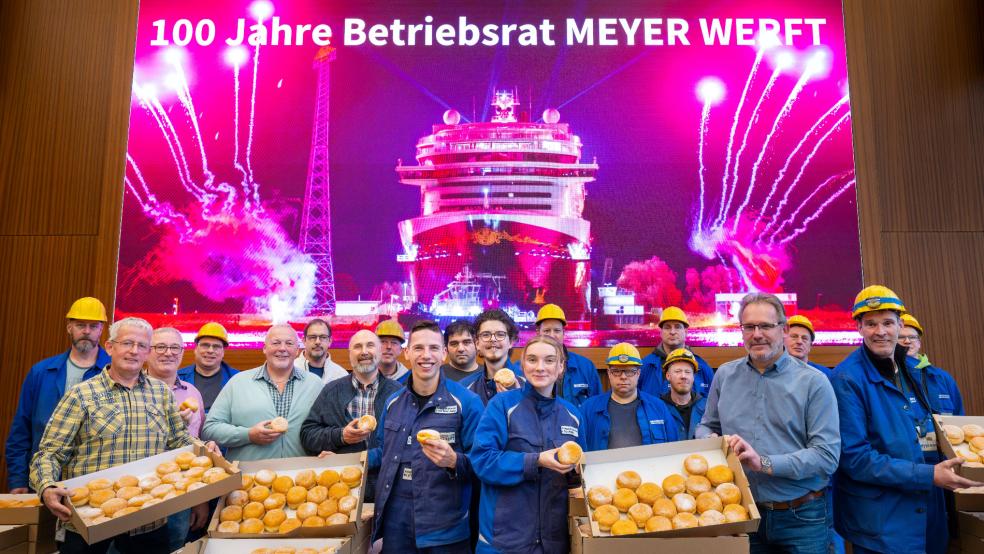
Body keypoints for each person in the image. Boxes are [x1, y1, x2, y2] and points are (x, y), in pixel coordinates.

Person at [30, 317, 211, 554]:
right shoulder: (81, 395)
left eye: (142, 346)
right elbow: (49, 453)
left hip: (149, 522)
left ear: (147, 352)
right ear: (110, 347)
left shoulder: (161, 394)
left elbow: (179, 440)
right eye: (127, 343)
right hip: (90, 521)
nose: (134, 351)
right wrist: (47, 487)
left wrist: (204, 448)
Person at [832, 286, 980, 554]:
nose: (881, 331)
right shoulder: (846, 378)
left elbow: (938, 431)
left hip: (930, 512)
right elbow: (855, 459)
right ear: (859, 328)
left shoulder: (917, 372)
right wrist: (929, 475)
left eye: (888, 322)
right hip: (882, 524)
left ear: (900, 324)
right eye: (871, 324)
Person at [697, 293, 840, 553]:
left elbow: (827, 456)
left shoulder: (814, 383)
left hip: (802, 518)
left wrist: (763, 463)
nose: (757, 334)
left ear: (783, 330)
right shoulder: (725, 376)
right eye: (749, 327)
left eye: (765, 326)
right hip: (741, 514)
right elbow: (707, 426)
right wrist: (709, 442)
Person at [368, 321, 483, 553]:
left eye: (433, 348)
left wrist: (454, 461)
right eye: (418, 348)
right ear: (407, 353)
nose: (426, 355)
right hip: (396, 527)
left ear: (443, 354)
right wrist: (350, 460)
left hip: (446, 530)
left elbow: (484, 462)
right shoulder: (392, 402)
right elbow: (383, 452)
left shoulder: (467, 403)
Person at [471, 335, 585, 553]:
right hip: (504, 540)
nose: (540, 367)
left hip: (553, 542)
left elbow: (579, 477)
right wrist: (536, 461)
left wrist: (575, 473)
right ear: (522, 365)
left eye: (549, 360)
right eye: (532, 360)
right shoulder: (502, 405)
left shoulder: (573, 415)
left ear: (561, 367)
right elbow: (482, 460)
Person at [6, 297, 111, 493]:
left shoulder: (114, 371)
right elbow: (21, 429)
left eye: (93, 325)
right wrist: (17, 480)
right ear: (69, 327)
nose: (86, 331)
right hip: (43, 482)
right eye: (80, 325)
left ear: (101, 329)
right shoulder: (41, 372)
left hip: (96, 484)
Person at [300, 329, 403, 501]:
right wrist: (341, 436)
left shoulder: (398, 393)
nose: (364, 351)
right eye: (357, 347)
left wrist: (352, 460)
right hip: (340, 492)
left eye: (370, 345)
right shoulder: (331, 390)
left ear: (379, 351)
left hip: (387, 491)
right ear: (349, 354)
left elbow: (403, 445)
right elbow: (308, 435)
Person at [201, 324, 323, 461]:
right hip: (249, 478)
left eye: (289, 343)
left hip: (300, 477)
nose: (282, 348)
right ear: (264, 348)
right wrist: (248, 435)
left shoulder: (315, 384)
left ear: (297, 350)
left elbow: (326, 429)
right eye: (276, 343)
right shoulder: (238, 383)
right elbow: (209, 429)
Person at [144, 327, 208, 552]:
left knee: (175, 545)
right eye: (160, 347)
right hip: (142, 491)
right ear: (147, 351)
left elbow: (196, 445)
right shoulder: (133, 391)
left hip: (181, 494)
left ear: (182, 353)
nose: (168, 353)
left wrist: (199, 498)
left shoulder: (192, 393)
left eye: (174, 348)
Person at [581, 343, 678, 451]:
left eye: (629, 371)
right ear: (609, 373)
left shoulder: (658, 407)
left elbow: (673, 449)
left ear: (638, 374)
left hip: (650, 468)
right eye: (616, 371)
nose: (623, 377)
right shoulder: (588, 409)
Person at [531, 304, 602, 408]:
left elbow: (597, 407)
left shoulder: (586, 367)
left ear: (564, 332)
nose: (552, 335)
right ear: (538, 333)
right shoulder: (524, 369)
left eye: (557, 330)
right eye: (546, 331)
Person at [639, 306, 715, 397]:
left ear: (686, 332)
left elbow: (713, 405)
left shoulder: (703, 368)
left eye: (677, 327)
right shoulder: (645, 367)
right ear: (661, 332)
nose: (672, 332)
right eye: (667, 327)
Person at [900, 313, 964, 416]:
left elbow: (959, 418)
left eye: (912, 337)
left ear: (919, 343)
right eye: (900, 337)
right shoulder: (891, 377)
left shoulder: (943, 377)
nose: (907, 341)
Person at [463, 309, 522, 405]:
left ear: (511, 342)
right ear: (477, 343)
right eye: (486, 335)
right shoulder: (464, 388)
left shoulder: (529, 383)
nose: (493, 339)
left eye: (500, 334)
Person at [176, 322, 238, 413]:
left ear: (223, 352)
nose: (210, 350)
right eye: (205, 345)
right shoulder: (177, 378)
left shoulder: (237, 379)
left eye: (216, 347)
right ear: (196, 349)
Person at [659, 348, 708, 440]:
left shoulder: (708, 408)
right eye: (678, 371)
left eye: (688, 372)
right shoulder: (657, 408)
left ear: (693, 377)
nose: (683, 376)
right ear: (668, 376)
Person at [295, 318, 348, 382]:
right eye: (312, 337)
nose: (317, 342)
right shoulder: (289, 371)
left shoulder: (341, 376)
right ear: (304, 341)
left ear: (330, 341)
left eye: (323, 337)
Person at [376, 319, 410, 384]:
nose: (389, 346)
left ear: (400, 349)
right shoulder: (363, 376)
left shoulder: (409, 381)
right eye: (383, 342)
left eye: (394, 342)